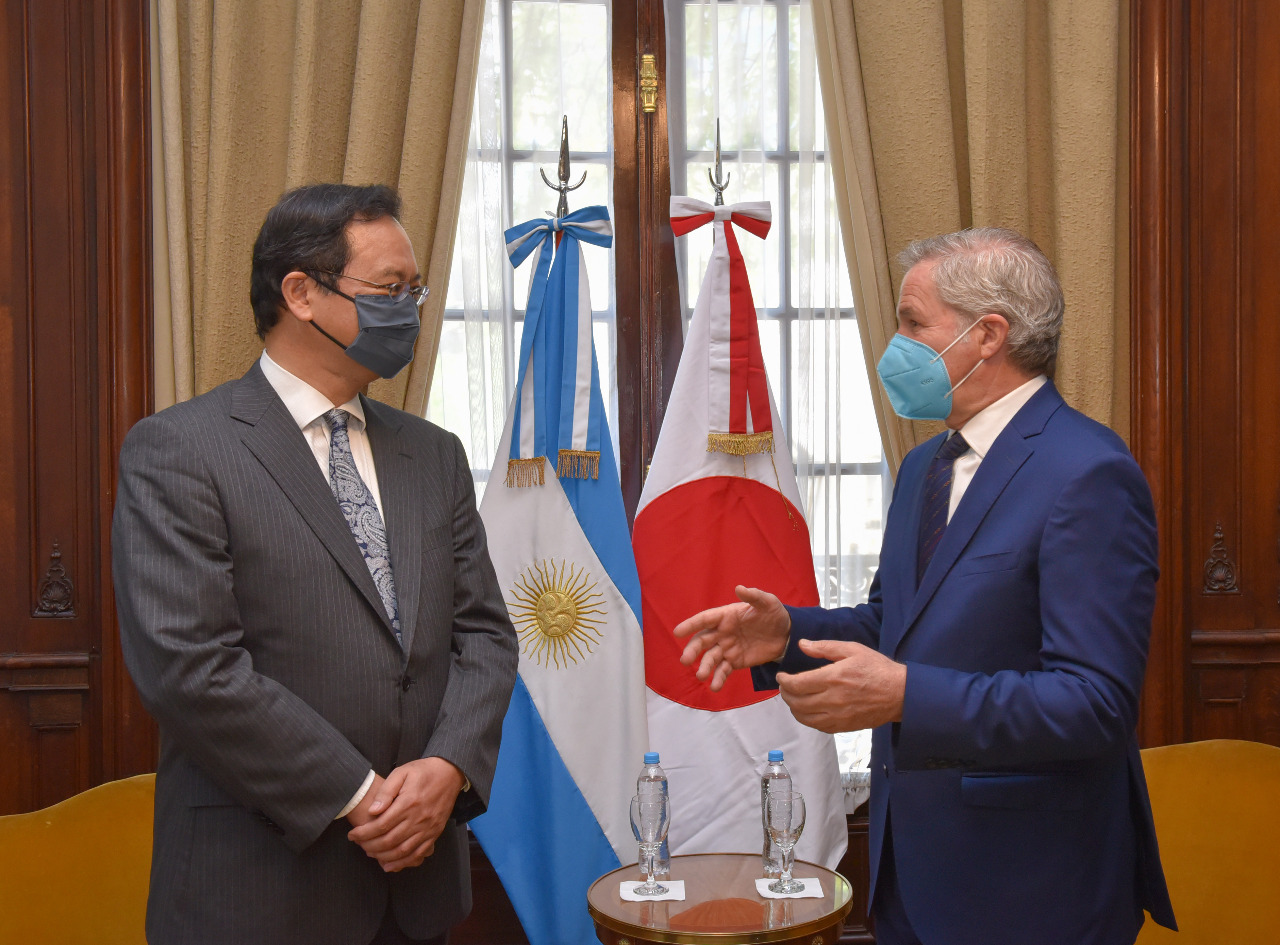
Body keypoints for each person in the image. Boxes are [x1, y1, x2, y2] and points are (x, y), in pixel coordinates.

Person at [675, 228, 1177, 945]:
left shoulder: (1087, 471)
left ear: (988, 335)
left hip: (1032, 888)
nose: (897, 345)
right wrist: (787, 634)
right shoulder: (925, 467)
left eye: (913, 324)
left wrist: (908, 694)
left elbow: (1095, 703)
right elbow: (896, 625)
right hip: (910, 876)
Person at [113, 183, 518, 945]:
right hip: (259, 890)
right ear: (300, 293)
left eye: (416, 291)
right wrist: (363, 796)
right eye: (390, 289)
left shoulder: (434, 454)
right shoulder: (181, 449)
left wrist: (448, 767)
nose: (410, 310)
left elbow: (485, 635)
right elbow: (190, 667)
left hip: (418, 888)